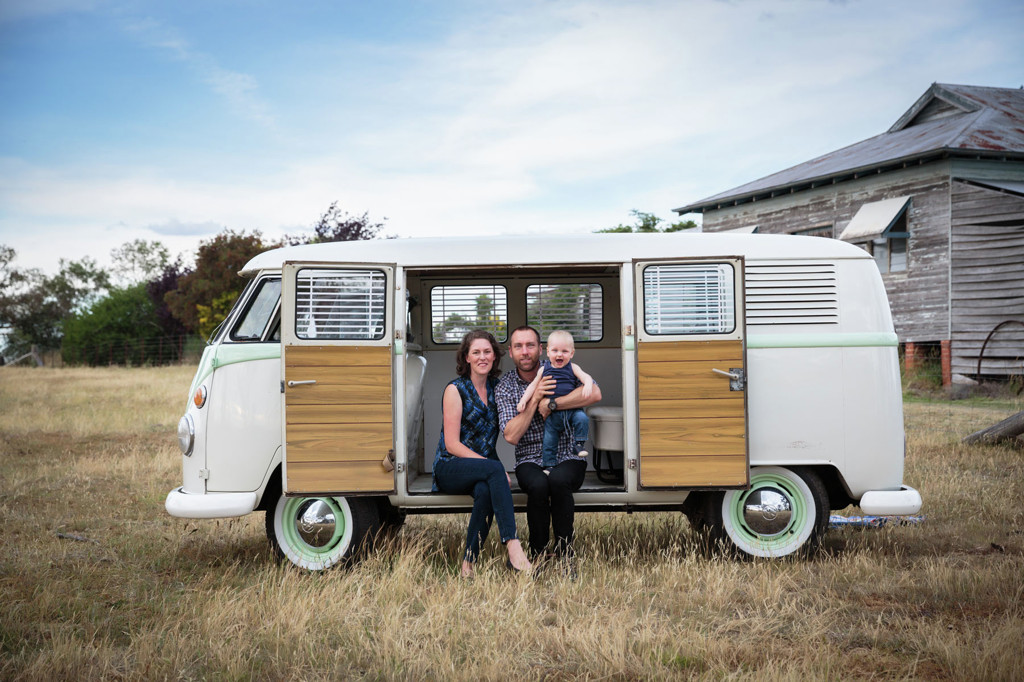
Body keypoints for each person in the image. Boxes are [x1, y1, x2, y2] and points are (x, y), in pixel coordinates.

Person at [495, 326, 602, 562]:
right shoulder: (505, 386)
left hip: (568, 454)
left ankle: (565, 552)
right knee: (538, 484)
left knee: (559, 480)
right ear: (510, 352)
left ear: (540, 349)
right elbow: (511, 436)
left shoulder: (558, 364)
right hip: (529, 459)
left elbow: (594, 393)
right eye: (518, 346)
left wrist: (553, 404)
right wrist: (535, 399)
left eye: (530, 345)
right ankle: (539, 554)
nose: (525, 351)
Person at [432, 330, 532, 578]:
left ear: (495, 356)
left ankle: (468, 564)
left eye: (487, 351)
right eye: (476, 352)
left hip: (483, 470)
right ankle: (514, 548)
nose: (482, 357)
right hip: (450, 466)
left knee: (486, 492)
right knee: (495, 470)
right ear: (466, 357)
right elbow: (452, 444)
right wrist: (491, 467)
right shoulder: (455, 390)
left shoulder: (498, 388)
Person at [516, 330, 595, 468]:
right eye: (555, 350)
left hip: (572, 409)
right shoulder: (543, 369)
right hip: (552, 414)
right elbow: (533, 386)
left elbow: (586, 377)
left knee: (582, 418)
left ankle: (579, 444)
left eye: (564, 351)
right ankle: (549, 465)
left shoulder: (573, 367)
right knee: (549, 439)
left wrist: (588, 384)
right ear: (548, 352)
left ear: (572, 353)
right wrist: (523, 400)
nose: (559, 354)